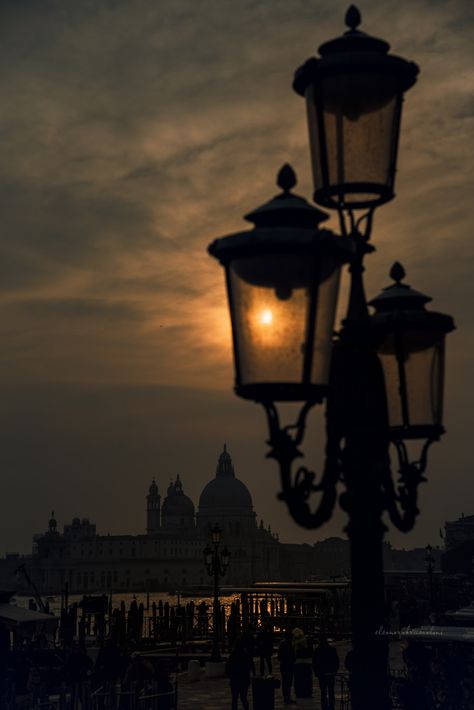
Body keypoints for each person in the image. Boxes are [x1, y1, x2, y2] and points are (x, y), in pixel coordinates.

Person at [225, 638, 255, 710]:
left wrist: (230, 675)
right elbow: (251, 666)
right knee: (243, 697)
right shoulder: (246, 655)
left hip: (234, 679)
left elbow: (228, 667)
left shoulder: (233, 655)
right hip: (244, 679)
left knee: (234, 698)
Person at [312, 635, 339, 710]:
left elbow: (314, 663)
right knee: (331, 691)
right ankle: (331, 706)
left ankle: (324, 707)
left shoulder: (317, 650)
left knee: (323, 692)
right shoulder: (332, 649)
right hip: (330, 673)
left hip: (322, 673)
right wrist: (334, 671)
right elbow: (336, 661)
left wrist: (316, 672)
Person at [277, 629, 296, 705]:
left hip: (284, 665)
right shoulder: (289, 645)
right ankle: (287, 697)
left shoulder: (283, 645)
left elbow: (279, 656)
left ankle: (286, 696)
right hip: (288, 666)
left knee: (286, 682)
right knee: (287, 682)